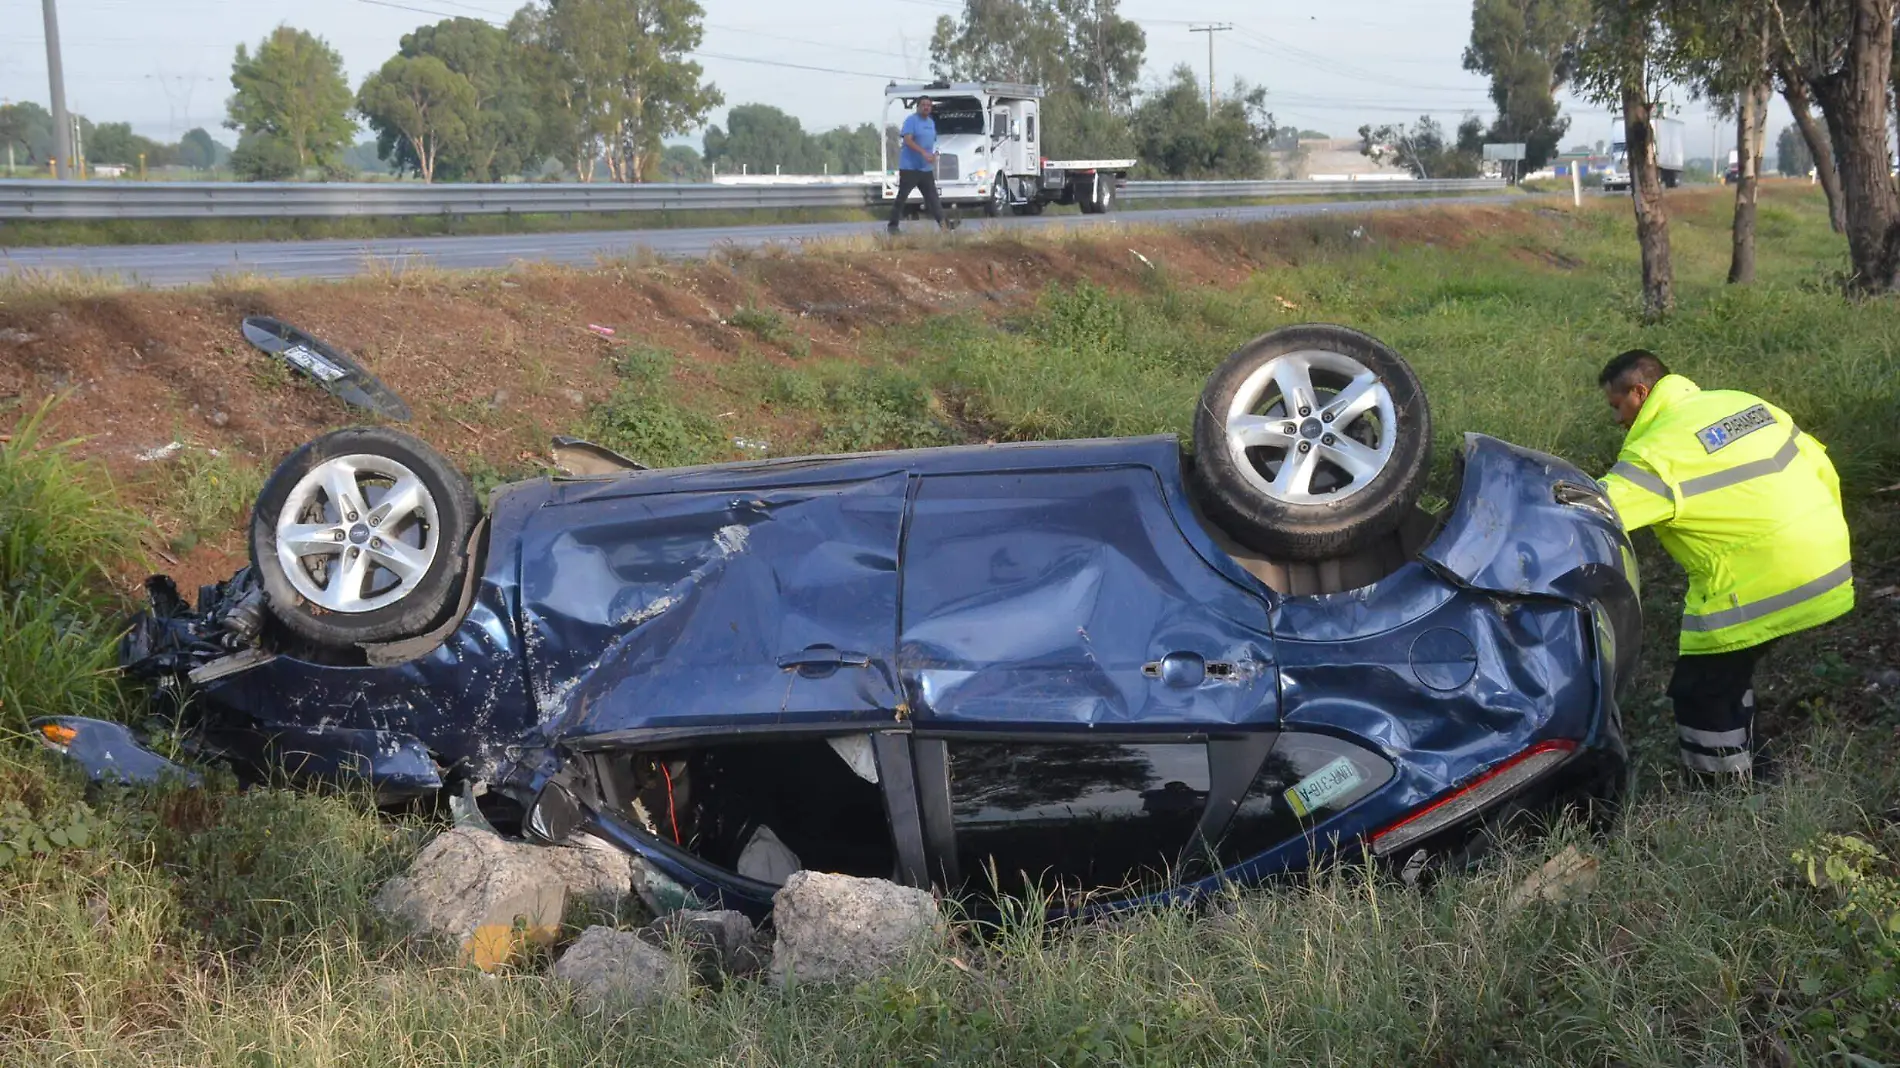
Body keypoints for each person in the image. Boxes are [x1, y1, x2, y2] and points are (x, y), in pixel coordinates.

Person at [1596, 349, 1853, 781]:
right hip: (1826, 557)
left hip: (1764, 580)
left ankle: (1724, 789)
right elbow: (1821, 466)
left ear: (1640, 393)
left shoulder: (1657, 450)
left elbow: (1598, 512)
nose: (1617, 419)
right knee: (1731, 670)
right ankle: (1751, 758)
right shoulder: (1741, 403)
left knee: (1700, 688)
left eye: (1617, 406)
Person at [889, 96, 953, 234]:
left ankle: (945, 225)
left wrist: (934, 154)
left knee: (933, 198)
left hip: (925, 168)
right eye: (923, 105)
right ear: (918, 107)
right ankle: (892, 226)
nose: (926, 107)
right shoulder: (911, 121)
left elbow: (933, 143)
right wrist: (923, 152)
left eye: (929, 105)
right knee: (902, 197)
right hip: (910, 167)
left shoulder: (931, 123)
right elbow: (907, 141)